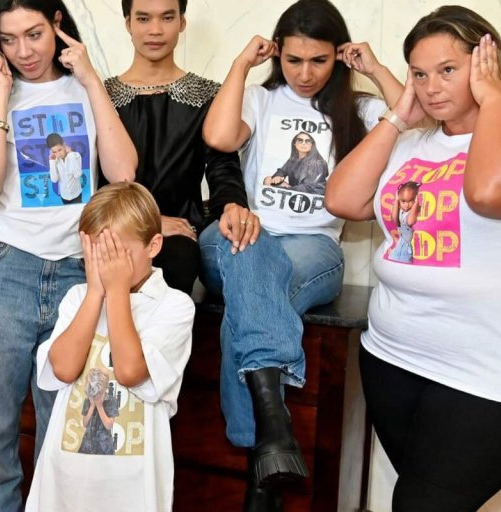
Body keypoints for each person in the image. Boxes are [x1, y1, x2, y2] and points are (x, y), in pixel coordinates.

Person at [325, 6, 501, 511]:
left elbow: (491, 192)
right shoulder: (412, 144)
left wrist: (495, 99)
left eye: (448, 70)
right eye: (419, 74)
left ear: (487, 63)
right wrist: (398, 116)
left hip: (496, 375)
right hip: (394, 359)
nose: (431, 87)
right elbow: (343, 199)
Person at [201, 0, 402, 507]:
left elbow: (415, 120)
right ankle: (271, 442)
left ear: (339, 56)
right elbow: (219, 137)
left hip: (315, 247)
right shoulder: (260, 100)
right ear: (277, 55)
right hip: (243, 236)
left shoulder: (358, 109)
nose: (305, 73)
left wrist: (376, 69)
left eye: (319, 60)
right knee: (249, 258)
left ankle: (263, 449)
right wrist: (240, 64)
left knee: (248, 305)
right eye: (293, 60)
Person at [0, 0, 137, 509]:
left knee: (63, 428)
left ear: (57, 24)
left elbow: (123, 173)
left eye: (34, 34)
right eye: (8, 39)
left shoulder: (85, 88)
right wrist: (1, 94)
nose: (24, 51)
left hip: (79, 276)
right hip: (2, 271)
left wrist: (92, 80)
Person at [26, 181, 194, 512]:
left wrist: (116, 293)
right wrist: (95, 294)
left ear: (153, 245)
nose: (105, 265)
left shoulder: (174, 306)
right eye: (96, 253)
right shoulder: (78, 298)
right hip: (64, 484)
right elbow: (64, 369)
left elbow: (130, 371)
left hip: (131, 491)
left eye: (116, 253)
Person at [102, 0, 254, 297]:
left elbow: (222, 165)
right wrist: (146, 223)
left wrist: (232, 205)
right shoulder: (102, 96)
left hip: (182, 233)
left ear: (182, 22)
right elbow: (96, 181)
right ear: (128, 23)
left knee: (178, 259)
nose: (155, 30)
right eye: (143, 19)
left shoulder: (209, 95)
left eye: (167, 18)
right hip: (115, 228)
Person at [263, 131, 329, 194]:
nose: (303, 143)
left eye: (307, 141)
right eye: (300, 140)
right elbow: (282, 171)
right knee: (268, 180)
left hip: (312, 195)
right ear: (294, 143)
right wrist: (278, 176)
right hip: (297, 190)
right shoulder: (293, 159)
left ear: (312, 145)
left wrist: (284, 190)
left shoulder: (317, 163)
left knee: (272, 186)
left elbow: (308, 187)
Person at [386, 181, 420, 263]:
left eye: (410, 201)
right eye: (403, 201)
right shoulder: (400, 210)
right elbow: (394, 219)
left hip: (408, 245)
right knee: (392, 259)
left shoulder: (413, 211)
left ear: (415, 198)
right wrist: (396, 201)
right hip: (401, 241)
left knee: (404, 263)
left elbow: (410, 222)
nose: (406, 205)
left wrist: (416, 203)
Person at [46, 132, 84, 204]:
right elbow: (54, 179)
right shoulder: (55, 161)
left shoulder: (75, 156)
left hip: (77, 195)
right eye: (54, 152)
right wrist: (52, 162)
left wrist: (71, 155)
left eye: (60, 150)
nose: (58, 154)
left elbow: (77, 175)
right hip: (64, 196)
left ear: (64, 144)